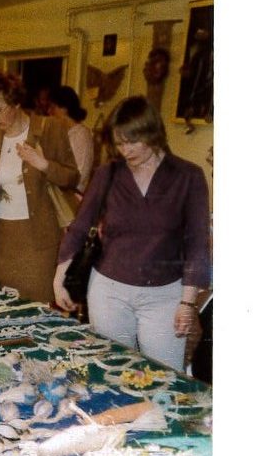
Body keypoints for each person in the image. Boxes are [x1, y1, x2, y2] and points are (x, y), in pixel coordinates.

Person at [54, 97, 210, 371]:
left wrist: (187, 302)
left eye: (133, 142)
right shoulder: (108, 173)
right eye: (119, 143)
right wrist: (59, 278)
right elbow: (79, 226)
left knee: (164, 374)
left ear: (153, 133)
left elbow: (197, 244)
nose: (126, 151)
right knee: (112, 369)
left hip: (164, 295)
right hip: (108, 292)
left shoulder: (188, 176)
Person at [0, 71, 78, 304]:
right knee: (2, 305)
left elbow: (71, 177)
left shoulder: (49, 129)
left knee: (36, 306)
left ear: (16, 103)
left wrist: (44, 164)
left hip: (37, 240)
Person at [46, 83, 95, 196]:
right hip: (57, 193)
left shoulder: (81, 135)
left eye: (53, 107)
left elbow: (80, 176)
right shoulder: (61, 132)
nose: (49, 112)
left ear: (64, 108)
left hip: (71, 197)